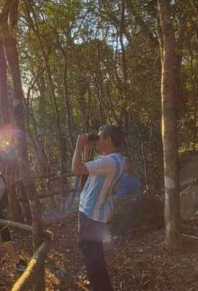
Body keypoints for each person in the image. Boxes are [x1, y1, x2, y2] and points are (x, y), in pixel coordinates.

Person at [71, 125, 127, 291]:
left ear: (109, 140)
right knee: (95, 254)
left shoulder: (108, 162)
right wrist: (87, 149)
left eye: (100, 138)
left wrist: (79, 146)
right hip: (98, 213)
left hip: (91, 214)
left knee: (91, 256)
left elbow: (76, 169)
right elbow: (89, 169)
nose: (98, 141)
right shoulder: (117, 160)